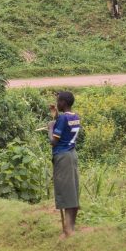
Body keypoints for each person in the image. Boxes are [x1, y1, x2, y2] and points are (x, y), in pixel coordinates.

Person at [48, 91, 81, 237]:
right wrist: (56, 117)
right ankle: (70, 228)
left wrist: (50, 128)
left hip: (63, 157)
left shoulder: (62, 119)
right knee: (72, 192)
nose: (57, 103)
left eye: (58, 101)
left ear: (64, 103)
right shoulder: (75, 117)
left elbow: (54, 141)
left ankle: (68, 230)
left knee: (66, 193)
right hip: (72, 154)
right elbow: (65, 128)